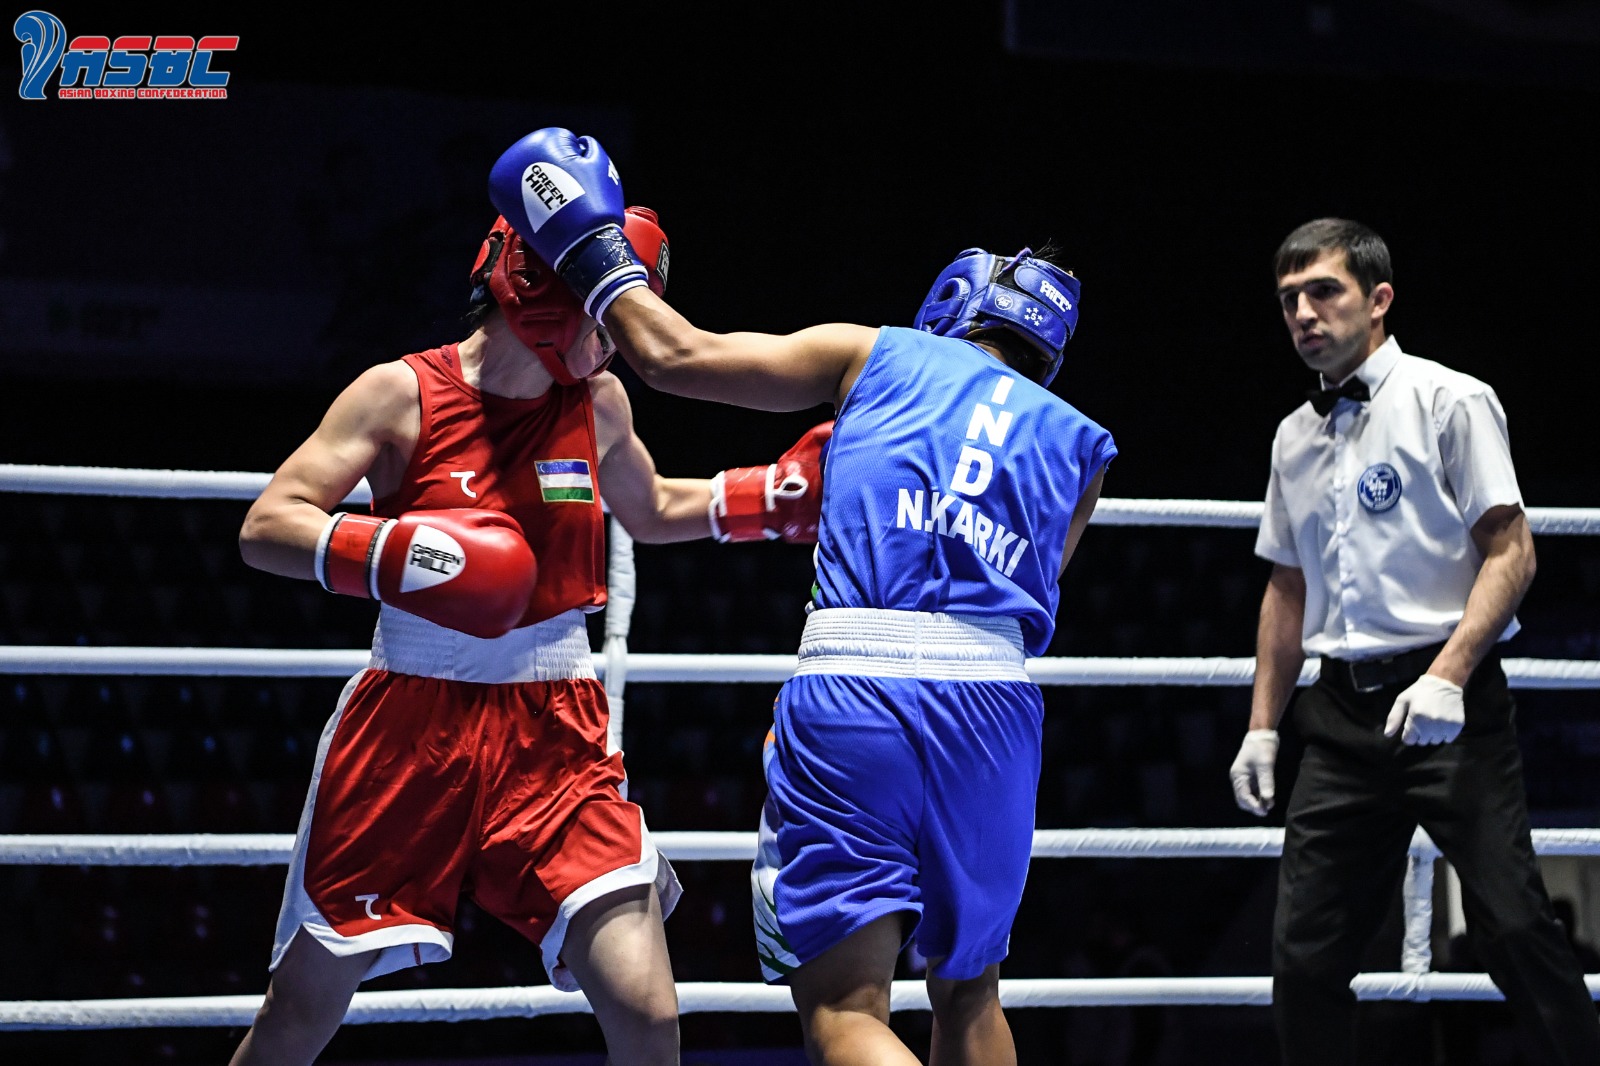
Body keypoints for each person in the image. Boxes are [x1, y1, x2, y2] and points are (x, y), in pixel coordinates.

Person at [486, 127, 1116, 1066]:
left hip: (863, 688)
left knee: (847, 1012)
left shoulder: (877, 355)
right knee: (972, 994)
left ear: (952, 302)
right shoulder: (1082, 445)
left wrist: (583, 239)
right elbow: (1034, 585)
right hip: (997, 708)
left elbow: (672, 357)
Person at [228, 206, 830, 1066]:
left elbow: (652, 508)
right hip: (409, 723)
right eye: (611, 312)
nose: (620, 338)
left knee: (649, 1013)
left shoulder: (599, 403)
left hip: (556, 731)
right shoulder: (400, 392)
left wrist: (767, 496)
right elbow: (268, 524)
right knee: (300, 1011)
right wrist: (411, 550)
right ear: (543, 290)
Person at [1226, 217, 1600, 1065]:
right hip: (1338, 718)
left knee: (1511, 927)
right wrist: (1262, 726)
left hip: (1450, 705)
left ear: (1379, 299)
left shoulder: (1449, 399)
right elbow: (1286, 586)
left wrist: (1449, 674)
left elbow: (1514, 549)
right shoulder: (1293, 435)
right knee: (1305, 954)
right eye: (1289, 300)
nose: (1304, 315)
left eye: (1324, 291)